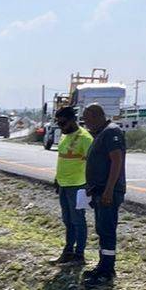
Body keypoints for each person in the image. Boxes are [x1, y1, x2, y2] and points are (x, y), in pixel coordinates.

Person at [82, 103, 126, 287]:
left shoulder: (111, 132)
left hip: (108, 192)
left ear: (96, 115)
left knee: (107, 231)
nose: (86, 123)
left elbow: (116, 161)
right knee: (102, 229)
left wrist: (109, 189)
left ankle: (107, 272)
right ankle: (102, 266)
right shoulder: (101, 133)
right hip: (99, 191)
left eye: (87, 119)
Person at [52, 106, 93, 265]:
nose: (60, 127)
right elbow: (62, 159)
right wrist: (57, 178)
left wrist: (90, 185)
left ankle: (79, 255)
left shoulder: (85, 138)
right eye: (58, 124)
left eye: (63, 123)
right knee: (67, 220)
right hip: (63, 185)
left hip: (78, 186)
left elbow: (93, 163)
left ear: (72, 120)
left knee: (78, 221)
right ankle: (68, 251)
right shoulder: (65, 136)